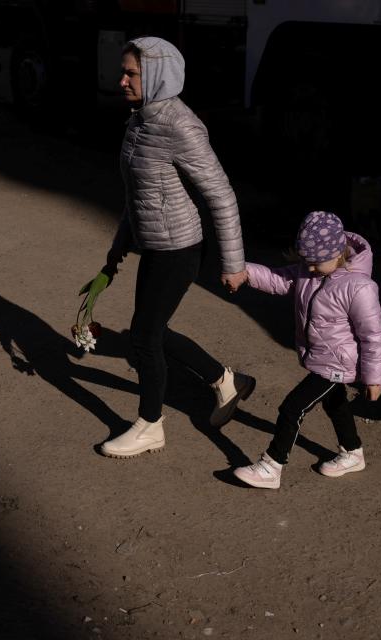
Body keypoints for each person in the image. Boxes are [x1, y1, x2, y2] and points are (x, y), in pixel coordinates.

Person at [97, 37, 254, 459]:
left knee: (144, 338)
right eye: (124, 71)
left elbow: (221, 194)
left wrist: (234, 263)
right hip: (154, 244)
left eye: (131, 73)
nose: (122, 80)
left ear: (158, 76)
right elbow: (139, 197)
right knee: (151, 331)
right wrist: (118, 250)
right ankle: (225, 381)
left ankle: (150, 425)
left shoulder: (178, 125)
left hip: (180, 249)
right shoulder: (139, 119)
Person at [232, 212, 381, 489]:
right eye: (307, 262)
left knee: (293, 407)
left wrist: (374, 378)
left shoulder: (359, 287)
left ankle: (272, 465)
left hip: (338, 364)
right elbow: (279, 280)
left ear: (338, 252)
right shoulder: (310, 270)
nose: (310, 269)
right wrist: (245, 272)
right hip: (321, 358)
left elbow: (373, 336)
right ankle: (353, 452)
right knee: (335, 404)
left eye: (316, 263)